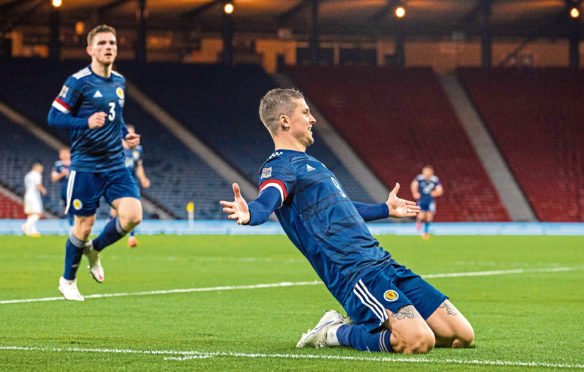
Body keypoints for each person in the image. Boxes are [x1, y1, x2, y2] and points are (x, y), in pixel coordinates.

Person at [220, 88, 474, 354]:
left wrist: (385, 209)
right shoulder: (280, 166)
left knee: (461, 335)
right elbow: (268, 198)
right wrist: (252, 212)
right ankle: (332, 332)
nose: (312, 119)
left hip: (383, 263)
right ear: (284, 121)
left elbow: (343, 209)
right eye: (305, 112)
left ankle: (378, 321)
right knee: (417, 341)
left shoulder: (312, 165)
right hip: (355, 273)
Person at [47, 24, 143, 301]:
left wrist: (127, 135)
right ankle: (67, 281)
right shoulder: (78, 82)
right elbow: (53, 117)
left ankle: (95, 249)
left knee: (132, 215)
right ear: (90, 49)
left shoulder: (119, 82)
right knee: (83, 225)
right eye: (101, 43)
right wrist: (85, 122)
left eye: (112, 42)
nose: (108, 47)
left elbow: (117, 117)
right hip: (86, 166)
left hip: (115, 164)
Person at [110, 124, 150, 248]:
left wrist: (143, 178)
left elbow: (139, 166)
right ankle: (111, 231)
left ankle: (131, 237)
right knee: (115, 211)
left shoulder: (138, 150)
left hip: (131, 183)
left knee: (133, 210)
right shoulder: (116, 149)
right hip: (118, 182)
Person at [410, 165, 443, 239]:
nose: (426, 173)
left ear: (431, 172)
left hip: (430, 201)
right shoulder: (419, 178)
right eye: (425, 171)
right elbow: (413, 185)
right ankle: (419, 224)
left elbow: (440, 190)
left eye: (428, 171)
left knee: (429, 216)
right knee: (421, 216)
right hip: (422, 200)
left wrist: (436, 192)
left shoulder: (435, 180)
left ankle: (425, 232)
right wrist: (415, 193)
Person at [22, 162, 46, 237]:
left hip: (27, 195)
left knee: (31, 213)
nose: (41, 171)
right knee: (38, 213)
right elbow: (38, 185)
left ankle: (33, 231)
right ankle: (26, 225)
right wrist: (43, 190)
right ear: (36, 168)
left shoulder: (28, 175)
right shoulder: (37, 174)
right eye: (40, 169)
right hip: (34, 196)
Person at [51, 147, 73, 226]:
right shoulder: (58, 165)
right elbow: (53, 178)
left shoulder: (74, 164)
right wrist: (62, 174)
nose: (64, 155)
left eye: (66, 153)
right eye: (62, 153)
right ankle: (70, 219)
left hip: (75, 188)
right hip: (64, 189)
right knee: (66, 205)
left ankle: (74, 219)